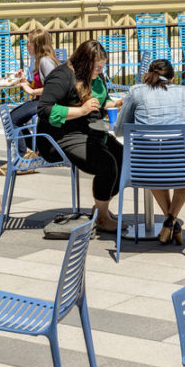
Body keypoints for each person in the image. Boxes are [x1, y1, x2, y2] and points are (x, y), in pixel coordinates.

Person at [113, 58, 185, 245]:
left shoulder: (135, 92)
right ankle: (171, 220)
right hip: (181, 162)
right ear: (172, 79)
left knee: (154, 163)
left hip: (145, 165)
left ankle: (170, 221)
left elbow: (119, 130)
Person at [39, 39, 125, 232]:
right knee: (107, 164)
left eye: (103, 67)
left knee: (125, 158)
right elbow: (44, 110)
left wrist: (114, 105)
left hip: (91, 130)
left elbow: (101, 102)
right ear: (84, 63)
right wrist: (81, 111)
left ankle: (101, 207)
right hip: (62, 134)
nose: (101, 71)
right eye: (97, 67)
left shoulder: (95, 76)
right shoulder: (62, 76)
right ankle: (102, 217)